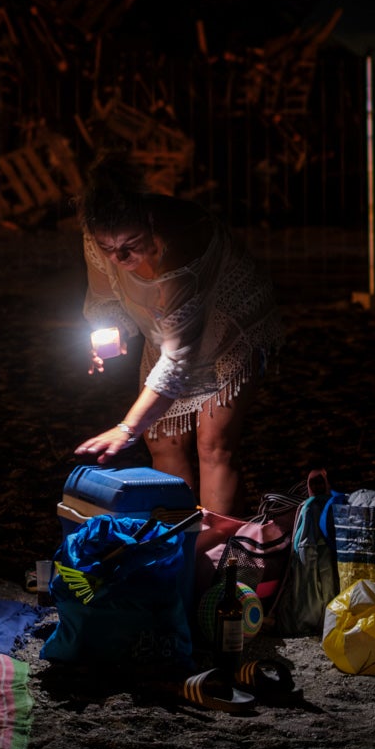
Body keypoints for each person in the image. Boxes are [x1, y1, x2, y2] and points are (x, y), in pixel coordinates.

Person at [73, 155, 285, 517]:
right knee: (163, 442)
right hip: (168, 330)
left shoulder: (183, 242)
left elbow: (177, 361)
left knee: (213, 444)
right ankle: (180, 542)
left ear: (148, 221)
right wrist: (113, 331)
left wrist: (126, 429)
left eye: (130, 244)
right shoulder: (103, 237)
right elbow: (107, 296)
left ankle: (219, 554)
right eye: (107, 248)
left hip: (228, 321)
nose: (118, 256)